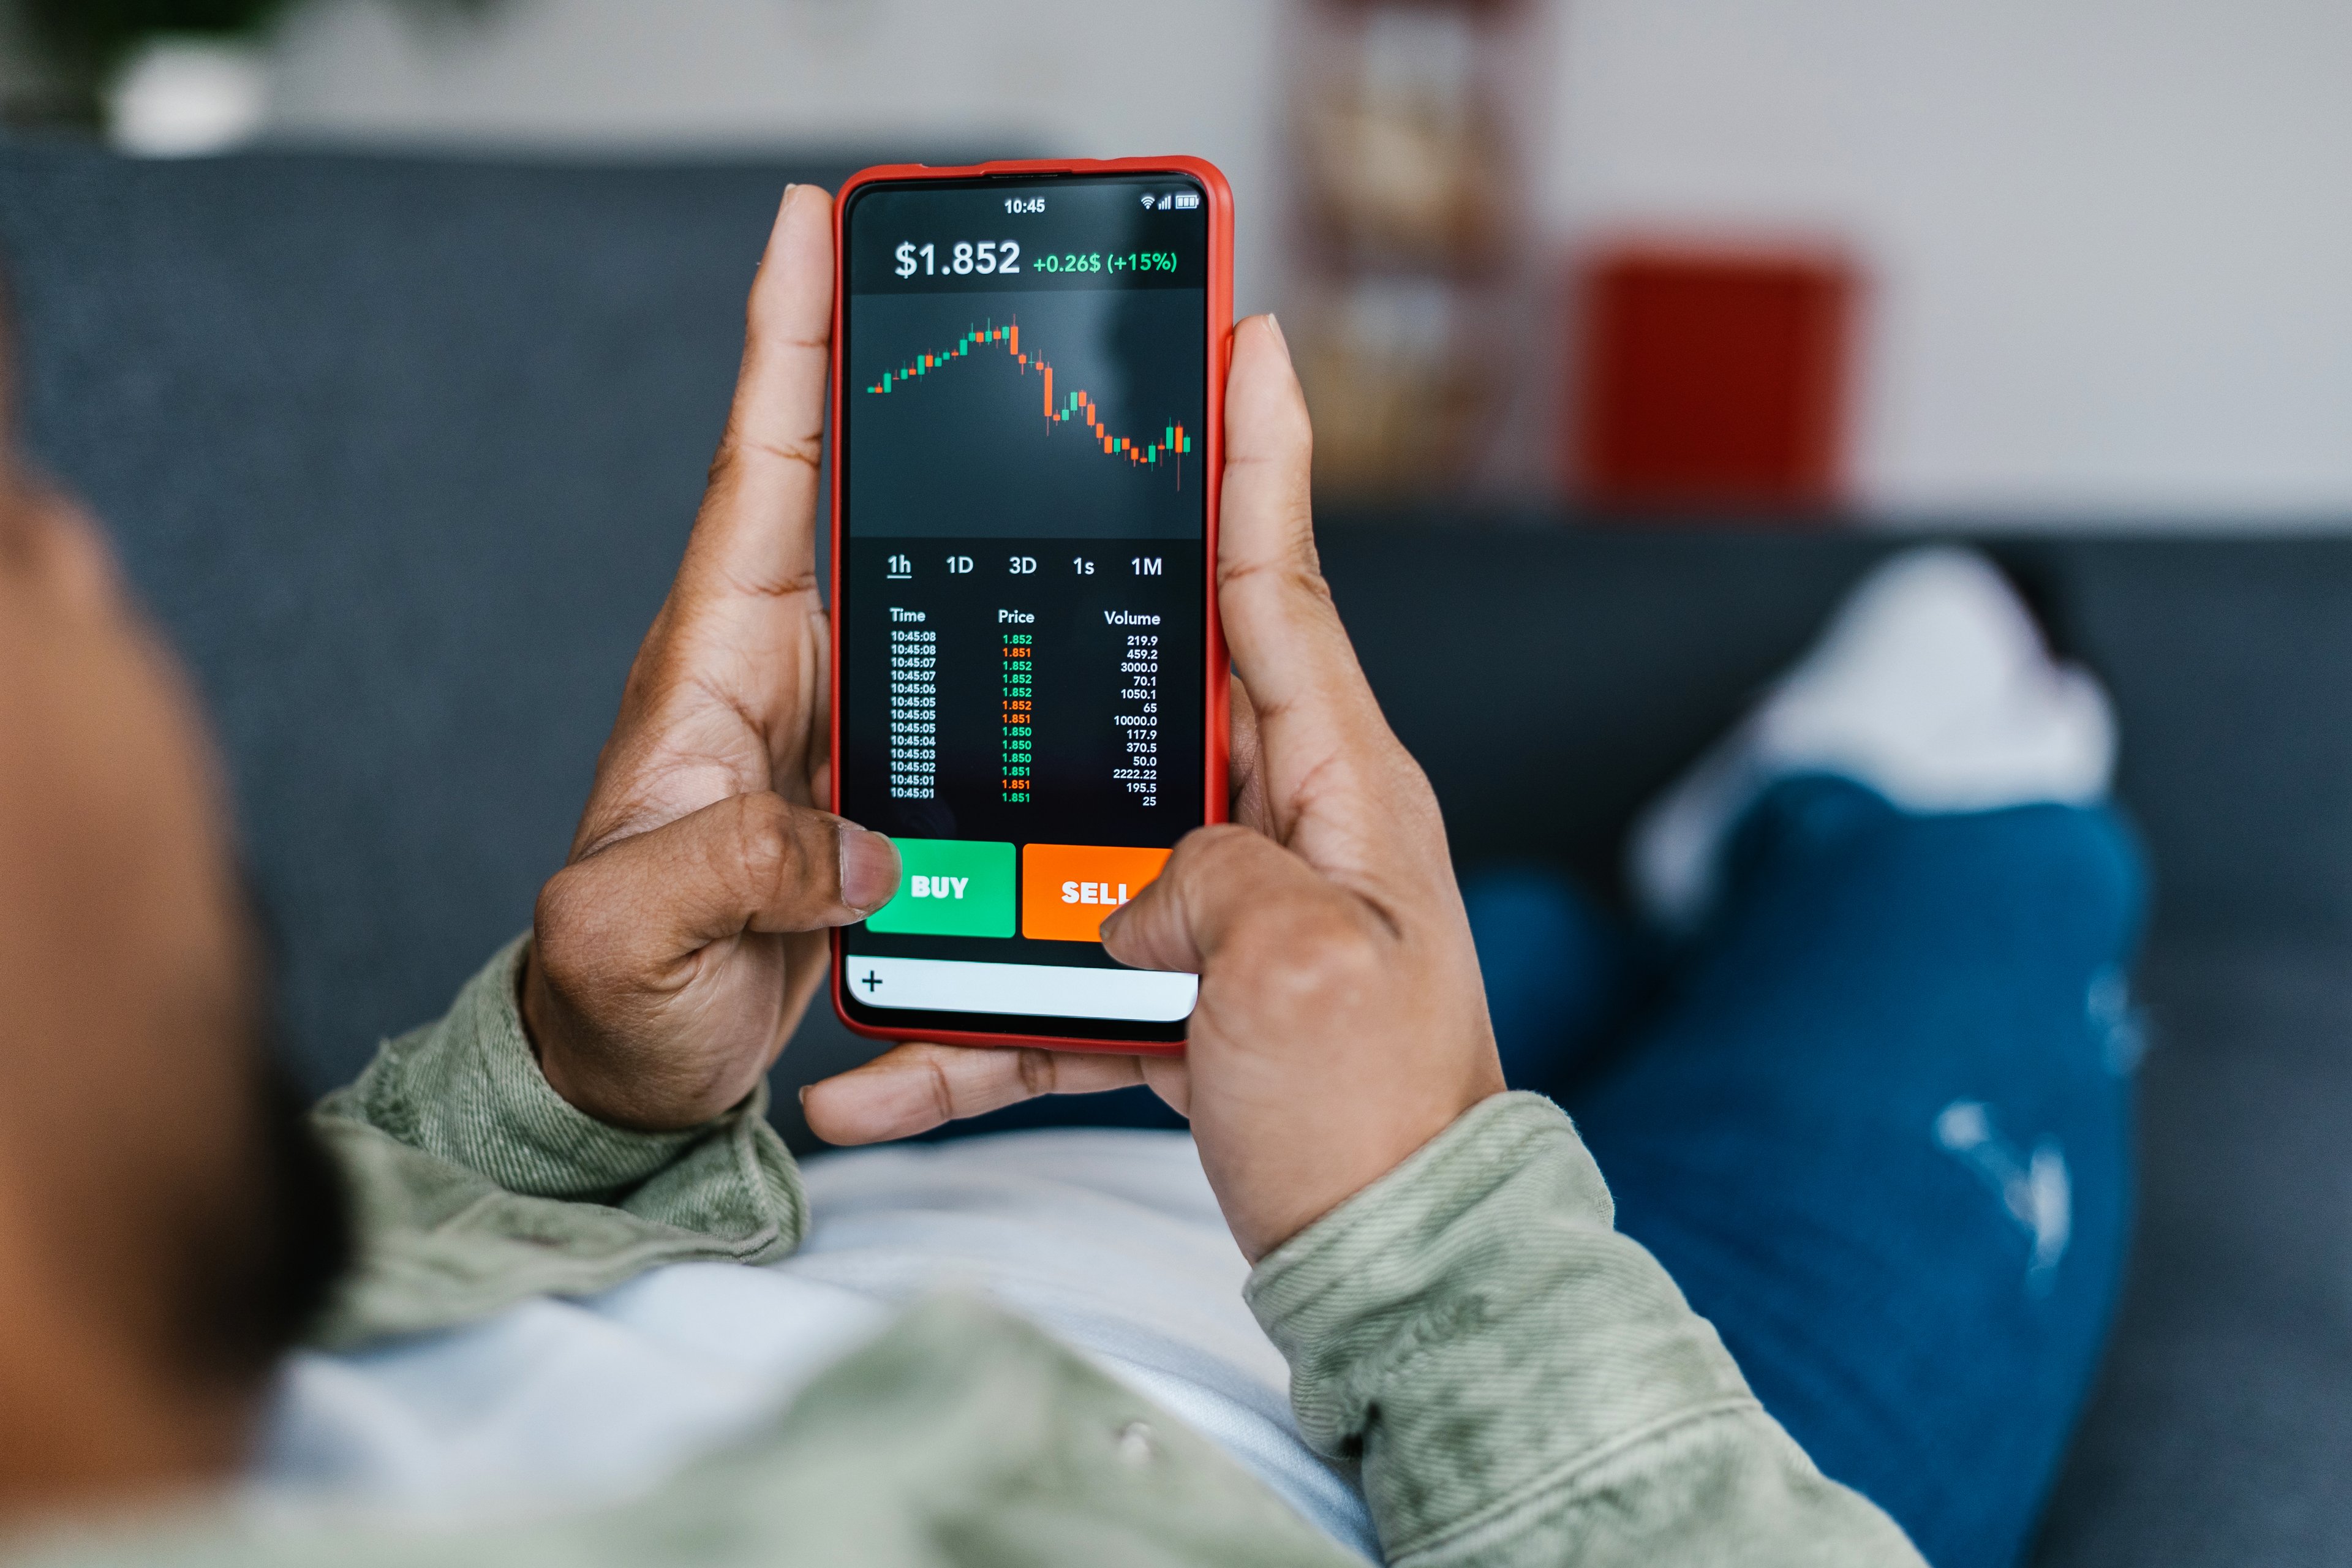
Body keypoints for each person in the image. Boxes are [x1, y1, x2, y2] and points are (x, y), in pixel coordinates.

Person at [0, 183, 2138, 1568]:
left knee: (1464, 961)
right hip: (1527, 1380)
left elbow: (186, 1262)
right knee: (1993, 845)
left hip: (1158, 1142)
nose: (84, 553)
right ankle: (1845, 796)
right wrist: (1432, 1229)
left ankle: (1620, 928)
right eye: (7, 530)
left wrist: (562, 1097)